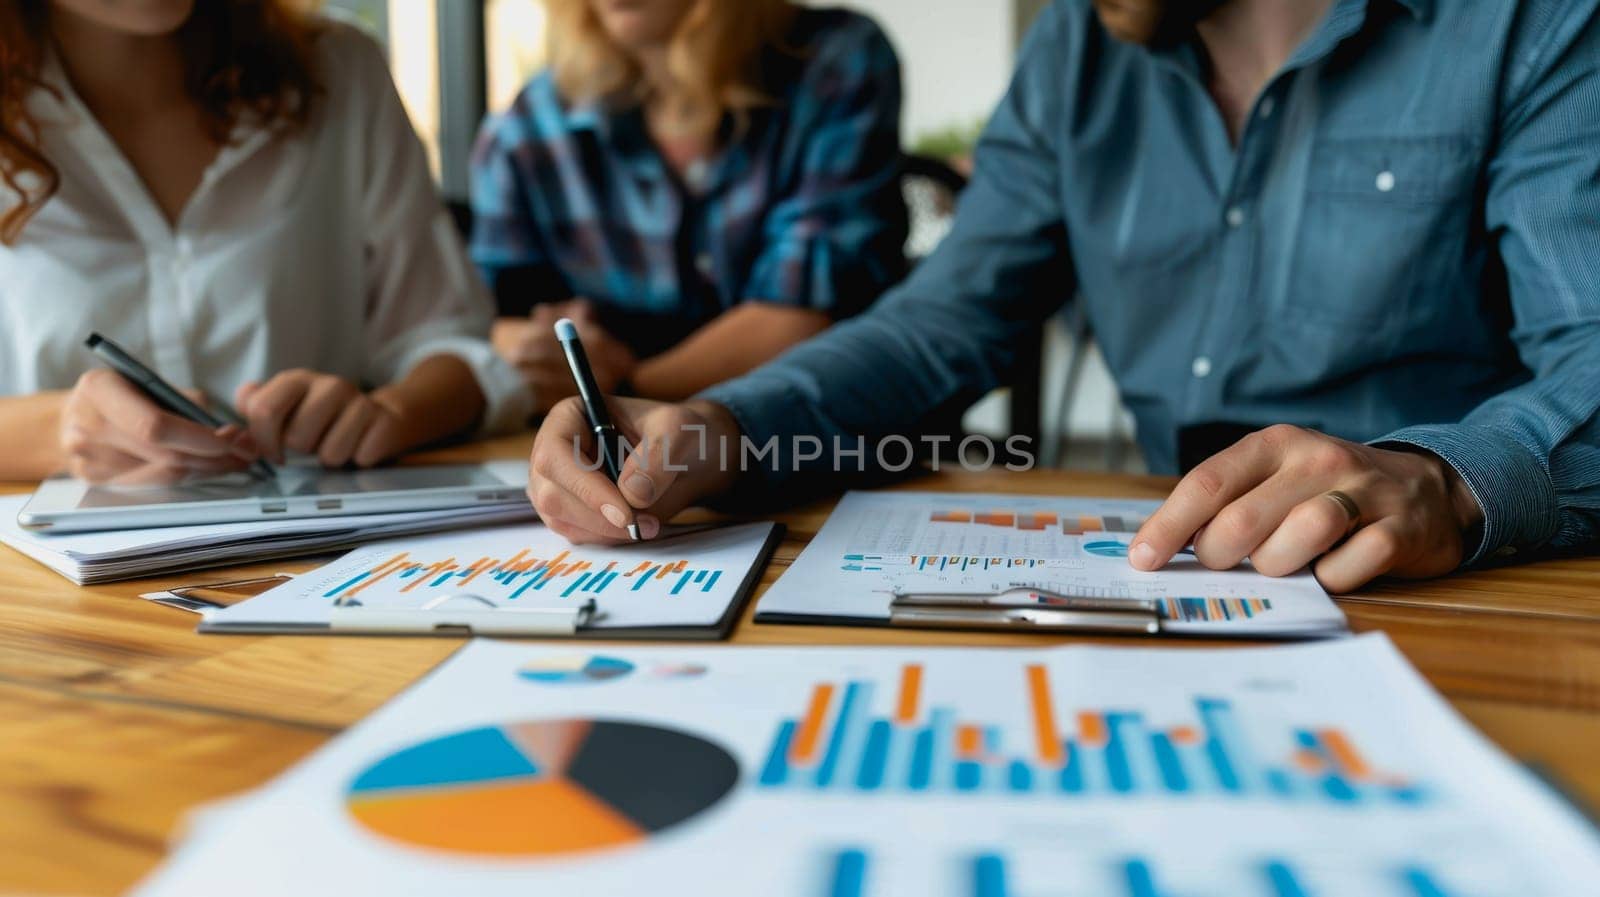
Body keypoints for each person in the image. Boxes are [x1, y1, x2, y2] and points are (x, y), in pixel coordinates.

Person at [526, 0, 1600, 593]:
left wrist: (1444, 481)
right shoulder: (1074, 54)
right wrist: (723, 425)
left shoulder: (1532, 26)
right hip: (1185, 580)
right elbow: (941, 321)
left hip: (1470, 592)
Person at [0, 0, 528, 483]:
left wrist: (392, 412)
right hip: (44, 581)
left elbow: (454, 343)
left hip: (315, 562)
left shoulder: (337, 70)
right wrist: (58, 432)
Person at [470, 0, 908, 417]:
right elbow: (500, 322)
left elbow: (803, 315)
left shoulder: (837, 59)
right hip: (604, 454)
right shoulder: (531, 123)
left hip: (816, 440)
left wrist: (620, 390)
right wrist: (543, 355)